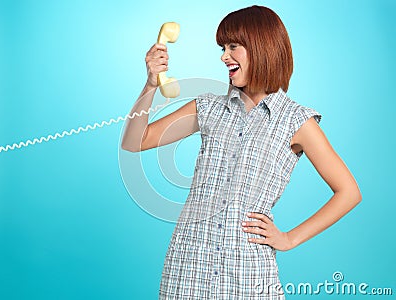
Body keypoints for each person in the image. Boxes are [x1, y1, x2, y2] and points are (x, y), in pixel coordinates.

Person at [121, 5, 362, 299]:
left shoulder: (296, 121)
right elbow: (135, 141)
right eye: (223, 47)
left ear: (262, 47)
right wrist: (150, 84)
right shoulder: (208, 107)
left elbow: (349, 192)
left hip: (247, 273)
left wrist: (288, 239)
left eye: (233, 46)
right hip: (187, 266)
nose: (224, 56)